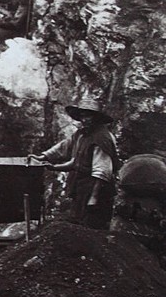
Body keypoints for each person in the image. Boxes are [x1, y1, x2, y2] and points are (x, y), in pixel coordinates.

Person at [29, 97, 120, 230]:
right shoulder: (81, 134)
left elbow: (102, 171)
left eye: (88, 115)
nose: (84, 119)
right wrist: (44, 158)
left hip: (97, 189)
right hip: (81, 188)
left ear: (96, 118)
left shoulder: (102, 138)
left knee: (93, 227)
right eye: (82, 115)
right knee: (78, 222)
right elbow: (66, 150)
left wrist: (93, 197)